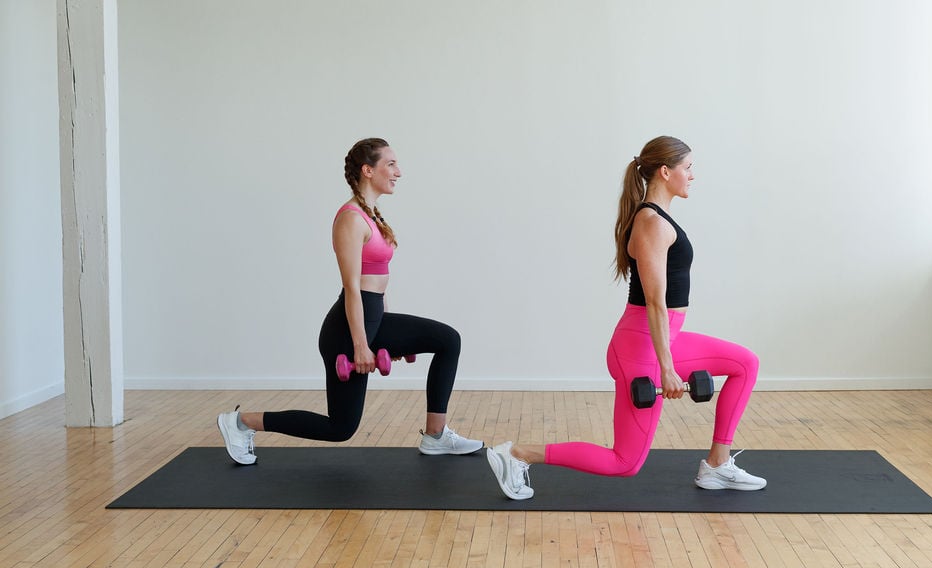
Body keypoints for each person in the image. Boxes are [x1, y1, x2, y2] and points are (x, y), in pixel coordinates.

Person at [487, 136, 765, 500]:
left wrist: (666, 357)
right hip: (641, 347)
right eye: (688, 167)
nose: (693, 176)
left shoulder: (658, 219)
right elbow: (654, 302)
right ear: (666, 172)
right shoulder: (651, 223)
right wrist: (666, 369)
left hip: (663, 339)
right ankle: (517, 454)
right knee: (625, 462)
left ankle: (716, 465)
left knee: (745, 363)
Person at [217, 137, 483, 464]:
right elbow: (353, 288)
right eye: (391, 164)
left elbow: (378, 285)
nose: (398, 171)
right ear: (368, 170)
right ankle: (241, 422)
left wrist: (390, 332)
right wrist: (361, 344)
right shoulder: (350, 219)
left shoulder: (371, 214)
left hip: (373, 319)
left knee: (447, 340)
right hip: (347, 328)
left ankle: (436, 436)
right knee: (340, 428)